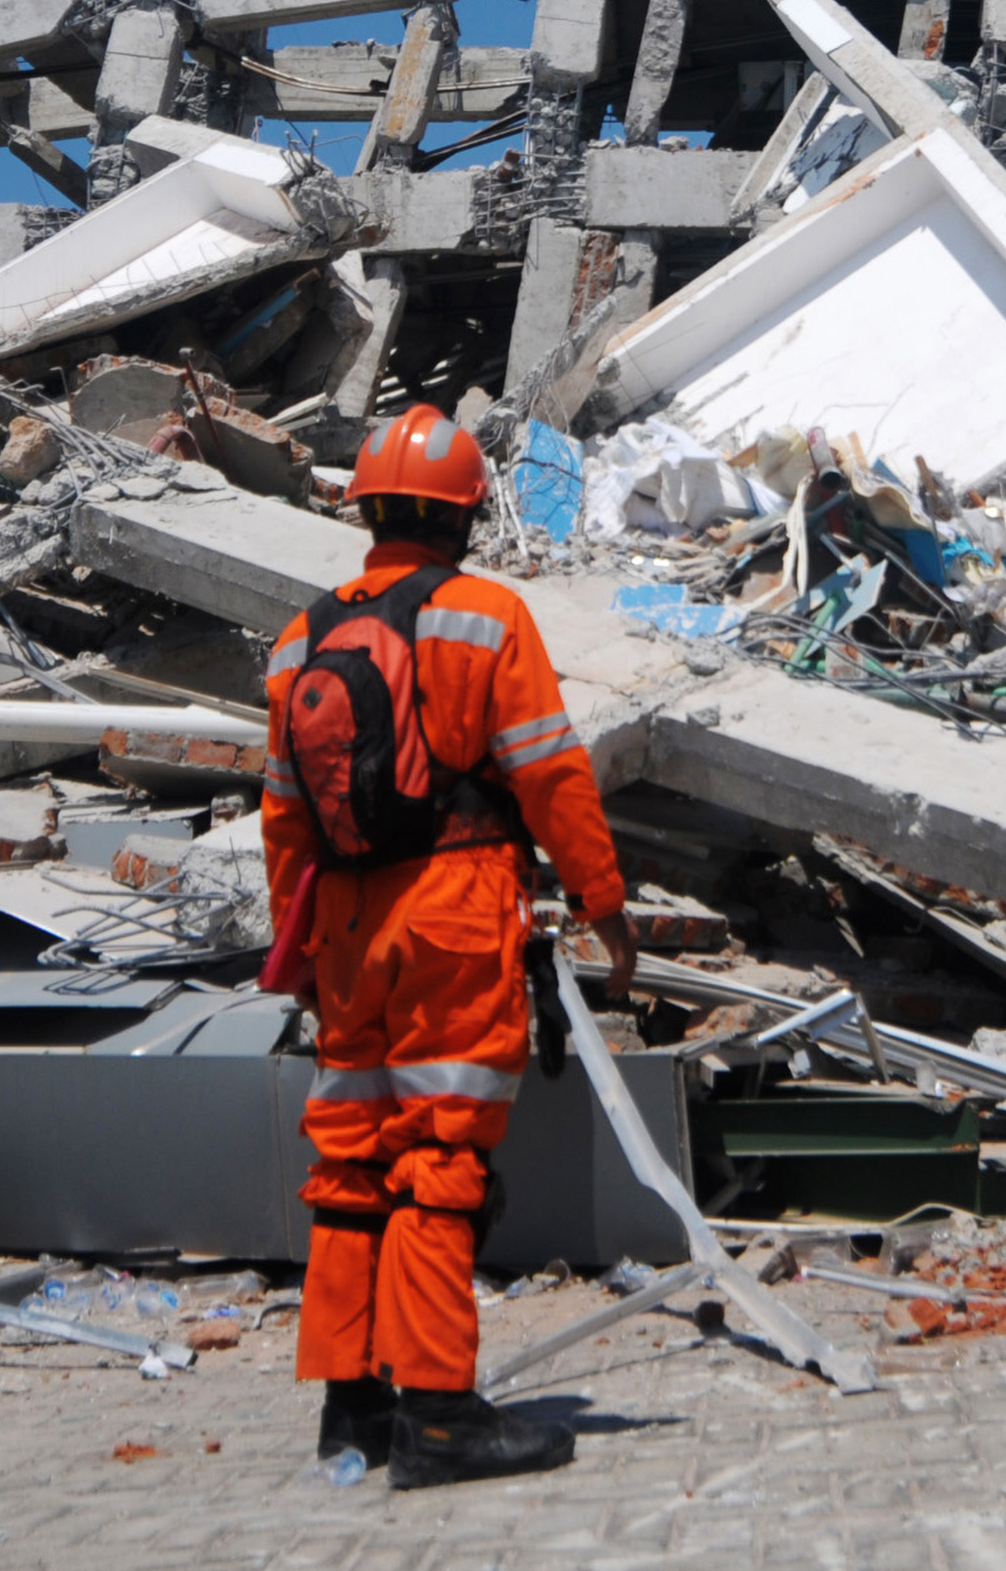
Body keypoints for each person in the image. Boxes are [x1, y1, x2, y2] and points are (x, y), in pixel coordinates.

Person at [262, 404, 640, 1489]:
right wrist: (603, 902)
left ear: (365, 508)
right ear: (465, 515)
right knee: (438, 1158)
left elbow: (283, 815)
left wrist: (301, 943)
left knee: (349, 1159)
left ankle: (351, 1408)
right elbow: (548, 774)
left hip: (344, 925)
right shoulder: (485, 615)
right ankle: (436, 1413)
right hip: (453, 911)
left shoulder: (300, 639)